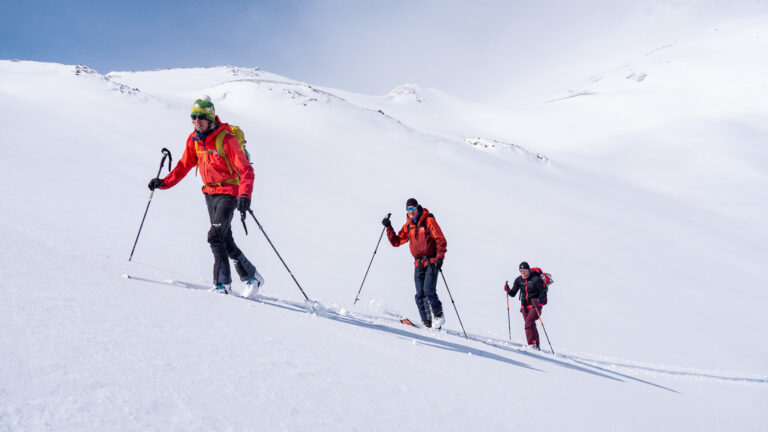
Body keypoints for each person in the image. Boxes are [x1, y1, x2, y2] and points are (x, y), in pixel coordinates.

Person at [148, 96, 264, 295]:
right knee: (225, 239)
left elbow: (246, 170)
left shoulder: (226, 139)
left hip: (229, 192)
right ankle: (252, 277)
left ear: (210, 118)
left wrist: (245, 195)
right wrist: (163, 183)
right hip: (210, 194)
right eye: (193, 117)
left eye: (201, 117)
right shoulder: (194, 140)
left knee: (215, 236)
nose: (196, 121)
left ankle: (222, 285)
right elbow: (184, 165)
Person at [383, 198, 447, 329]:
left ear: (417, 208)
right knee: (420, 295)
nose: (411, 211)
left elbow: (440, 240)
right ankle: (426, 322)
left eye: (412, 208)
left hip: (432, 262)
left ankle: (438, 316)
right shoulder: (408, 226)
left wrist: (440, 258)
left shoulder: (428, 221)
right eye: (408, 209)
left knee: (428, 290)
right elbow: (396, 241)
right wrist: (389, 227)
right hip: (418, 263)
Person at [505, 262, 546, 349]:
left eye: (525, 271)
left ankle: (531, 344)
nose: (523, 273)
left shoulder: (535, 279)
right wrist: (508, 290)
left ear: (529, 270)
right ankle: (537, 346)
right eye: (521, 271)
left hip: (535, 304)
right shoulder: (519, 280)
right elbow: (513, 293)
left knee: (528, 323)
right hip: (524, 306)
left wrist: (538, 300)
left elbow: (543, 292)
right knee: (531, 324)